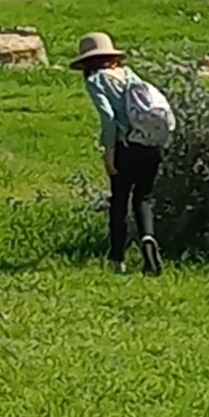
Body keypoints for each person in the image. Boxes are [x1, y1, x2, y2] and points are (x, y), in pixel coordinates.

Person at [70, 32, 163, 276]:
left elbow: (109, 119)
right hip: (152, 145)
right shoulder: (129, 74)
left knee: (119, 201)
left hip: (126, 147)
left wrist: (109, 152)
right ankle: (148, 240)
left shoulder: (96, 81)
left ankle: (117, 258)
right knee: (143, 198)